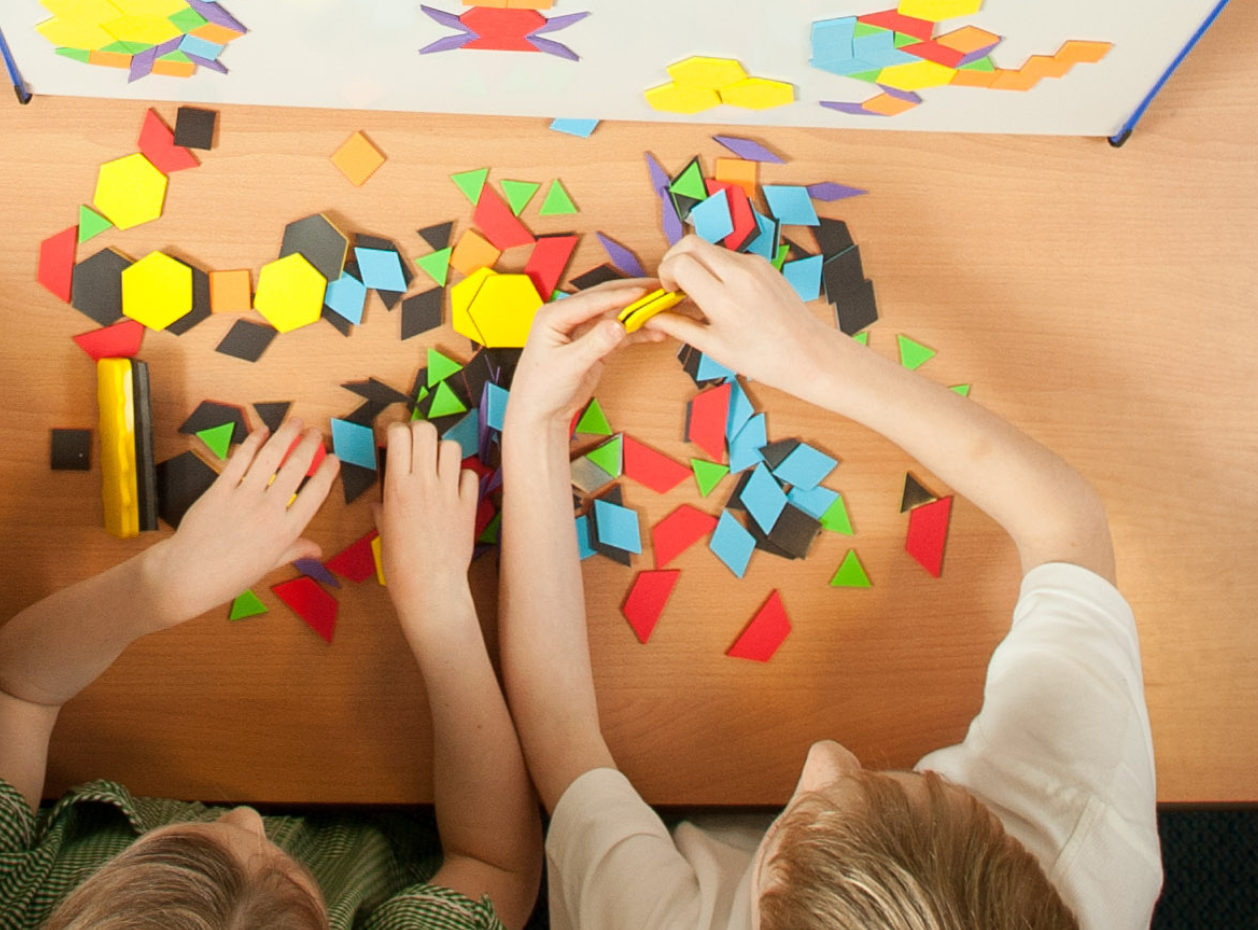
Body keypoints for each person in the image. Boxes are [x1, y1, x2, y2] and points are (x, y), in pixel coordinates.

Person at [498, 237, 1164, 930]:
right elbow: (1067, 527)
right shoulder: (1080, 843)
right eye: (928, 788)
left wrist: (534, 425)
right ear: (1005, 840)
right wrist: (813, 360)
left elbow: (561, 738)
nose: (824, 757)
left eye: (804, 821)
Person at [0, 414, 540, 930]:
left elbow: (12, 691)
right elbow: (497, 866)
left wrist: (158, 587)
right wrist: (440, 609)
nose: (246, 817)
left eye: (184, 842)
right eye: (283, 870)